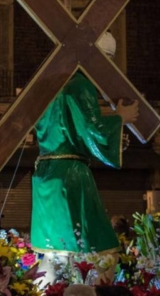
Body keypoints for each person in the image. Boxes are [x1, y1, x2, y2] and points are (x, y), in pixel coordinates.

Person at [32, 32, 139, 285]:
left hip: (45, 174)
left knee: (53, 251)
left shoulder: (51, 84)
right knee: (101, 247)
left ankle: (46, 290)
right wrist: (119, 118)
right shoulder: (80, 85)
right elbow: (93, 132)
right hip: (71, 174)